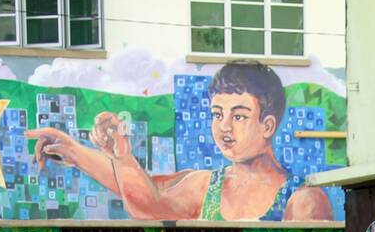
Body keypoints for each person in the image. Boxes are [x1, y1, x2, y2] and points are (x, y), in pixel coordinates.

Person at [26, 60, 332, 222]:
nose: (224, 127)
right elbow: (150, 197)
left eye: (238, 116)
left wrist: (118, 158)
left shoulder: (302, 200)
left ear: (267, 125)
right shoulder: (206, 187)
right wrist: (76, 150)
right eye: (216, 114)